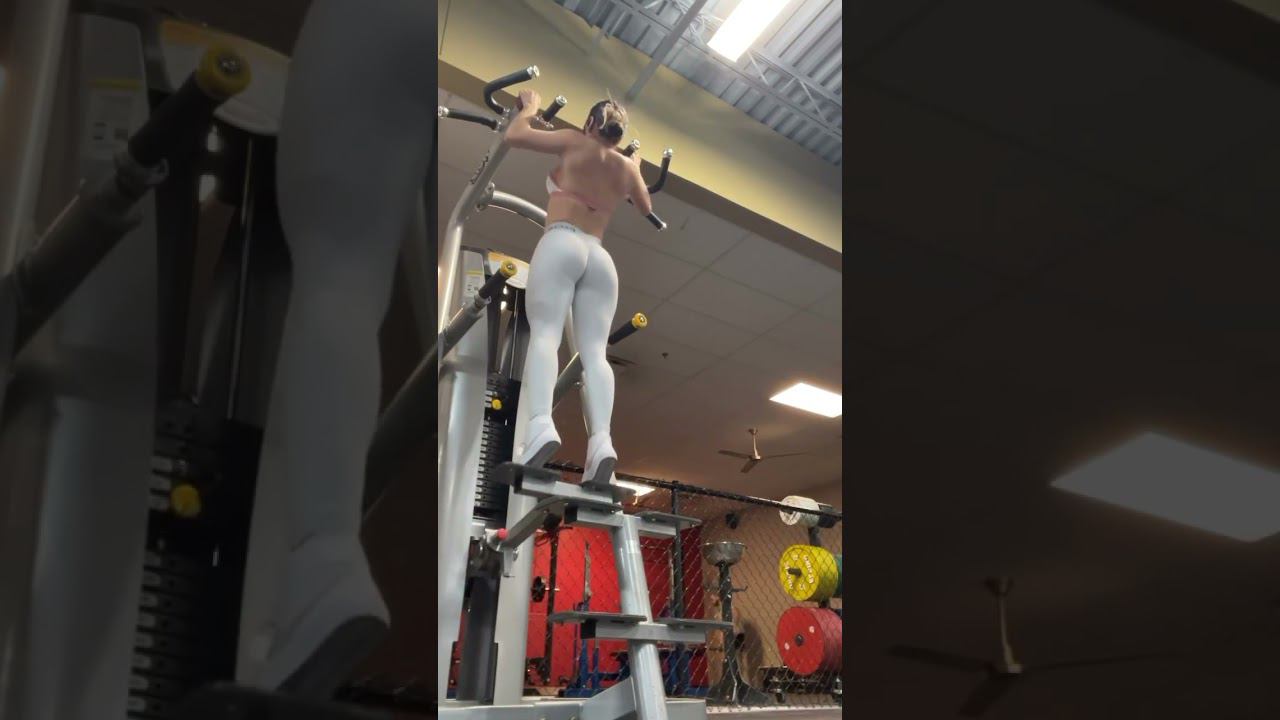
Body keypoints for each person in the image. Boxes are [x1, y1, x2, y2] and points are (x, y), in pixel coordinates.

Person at [504, 89, 653, 488]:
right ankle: (601, 442)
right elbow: (645, 207)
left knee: (546, 334)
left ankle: (540, 424)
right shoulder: (626, 168)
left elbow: (514, 136)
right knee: (595, 355)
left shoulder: (574, 141)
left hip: (562, 241)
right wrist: (635, 168)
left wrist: (530, 109)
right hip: (600, 259)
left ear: (589, 124)